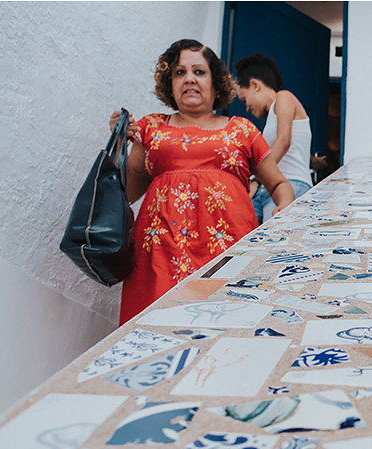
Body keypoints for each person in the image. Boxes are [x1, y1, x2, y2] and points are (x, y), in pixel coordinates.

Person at [109, 39, 294, 325]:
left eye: (199, 71)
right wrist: (121, 145)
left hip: (229, 250)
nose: (189, 79)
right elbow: (127, 194)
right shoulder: (151, 127)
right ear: (169, 84)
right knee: (155, 332)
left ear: (216, 82)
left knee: (225, 331)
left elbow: (279, 184)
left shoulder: (241, 129)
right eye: (179, 73)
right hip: (159, 252)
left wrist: (285, 206)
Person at [233, 53, 322, 224]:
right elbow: (296, 143)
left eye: (245, 100)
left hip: (291, 185)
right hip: (267, 189)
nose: (247, 108)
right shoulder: (270, 120)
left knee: (275, 244)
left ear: (255, 85)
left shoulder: (284, 97)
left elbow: (283, 141)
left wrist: (254, 178)